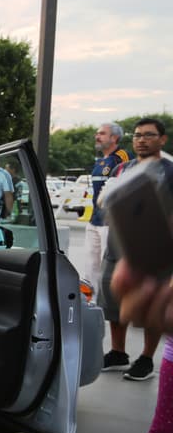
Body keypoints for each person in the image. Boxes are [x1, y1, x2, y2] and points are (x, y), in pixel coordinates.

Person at [96, 118, 170, 381]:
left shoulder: (169, 171)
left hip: (153, 252)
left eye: (149, 135)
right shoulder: (123, 168)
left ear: (162, 139)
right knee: (113, 300)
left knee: (150, 303)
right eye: (138, 135)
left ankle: (147, 358)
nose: (141, 139)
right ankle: (118, 352)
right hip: (118, 246)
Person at [86, 122, 129, 303]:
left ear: (114, 138)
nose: (97, 136)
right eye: (97, 133)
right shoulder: (99, 162)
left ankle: (111, 300)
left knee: (109, 264)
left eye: (102, 133)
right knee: (91, 263)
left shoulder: (120, 158)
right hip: (94, 220)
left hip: (111, 222)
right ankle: (90, 300)